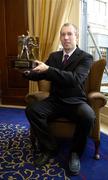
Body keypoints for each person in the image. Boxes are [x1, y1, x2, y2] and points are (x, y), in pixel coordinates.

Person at [24, 23, 96, 175]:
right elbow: (42, 73)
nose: (66, 37)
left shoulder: (85, 57)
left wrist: (48, 69)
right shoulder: (54, 56)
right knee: (32, 110)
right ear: (60, 38)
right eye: (63, 34)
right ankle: (50, 146)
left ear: (76, 37)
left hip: (75, 101)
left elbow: (75, 79)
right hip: (55, 100)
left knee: (88, 115)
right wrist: (27, 72)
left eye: (69, 34)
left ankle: (75, 153)